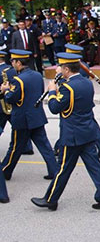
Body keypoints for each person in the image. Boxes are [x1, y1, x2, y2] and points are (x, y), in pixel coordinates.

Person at [30, 52, 100, 212]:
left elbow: (55, 108)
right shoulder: (86, 83)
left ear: (66, 69)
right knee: (95, 168)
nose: (58, 69)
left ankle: (50, 199)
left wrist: (53, 91)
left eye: (60, 67)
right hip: (87, 131)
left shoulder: (67, 88)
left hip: (73, 134)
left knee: (63, 169)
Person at [1, 49, 58, 182]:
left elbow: (11, 98)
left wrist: (6, 90)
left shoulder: (18, 80)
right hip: (36, 116)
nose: (12, 64)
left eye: (13, 61)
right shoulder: (38, 75)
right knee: (45, 146)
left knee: (15, 147)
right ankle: (54, 171)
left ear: (19, 63)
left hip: (22, 118)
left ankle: (5, 171)